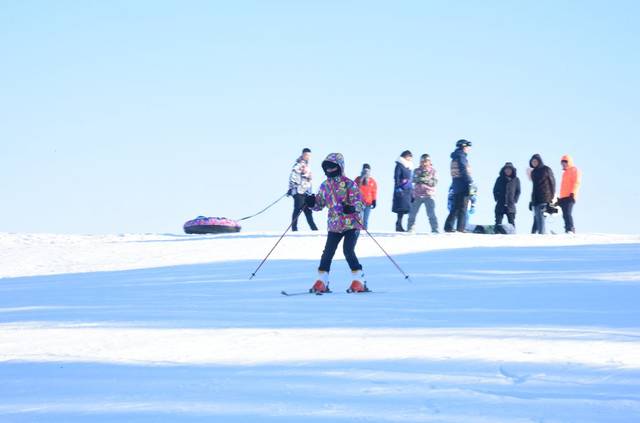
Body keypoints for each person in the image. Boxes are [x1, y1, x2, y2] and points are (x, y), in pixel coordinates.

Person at [304, 153, 367, 293]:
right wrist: (311, 203)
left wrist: (352, 208)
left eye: (333, 167)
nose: (330, 169)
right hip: (335, 225)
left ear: (340, 166)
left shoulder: (349, 184)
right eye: (327, 167)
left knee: (348, 250)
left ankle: (359, 280)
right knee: (327, 253)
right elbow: (319, 205)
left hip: (351, 223)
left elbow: (360, 203)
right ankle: (322, 281)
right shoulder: (325, 186)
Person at [444, 140, 473, 232]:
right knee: (463, 208)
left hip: (456, 184)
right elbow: (463, 170)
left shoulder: (456, 157)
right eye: (468, 147)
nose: (469, 149)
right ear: (464, 147)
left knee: (456, 207)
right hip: (463, 184)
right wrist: (470, 182)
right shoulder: (461, 157)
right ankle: (460, 228)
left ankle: (448, 227)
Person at [287, 148, 318, 231]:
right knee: (297, 209)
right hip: (298, 192)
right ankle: (294, 228)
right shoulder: (299, 164)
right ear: (303, 154)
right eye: (306, 155)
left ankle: (314, 229)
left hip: (306, 192)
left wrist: (310, 192)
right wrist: (291, 188)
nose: (308, 157)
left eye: (309, 155)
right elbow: (293, 176)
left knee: (308, 211)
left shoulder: (307, 165)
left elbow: (309, 180)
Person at [407, 154, 439, 233]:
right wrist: (419, 178)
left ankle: (435, 229)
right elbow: (413, 179)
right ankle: (410, 228)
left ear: (429, 162)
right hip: (417, 194)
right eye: (423, 161)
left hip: (429, 194)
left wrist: (425, 179)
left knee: (431, 213)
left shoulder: (433, 171)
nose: (424, 163)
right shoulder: (417, 170)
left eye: (426, 161)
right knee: (412, 213)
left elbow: (434, 182)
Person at [529, 154, 556, 234]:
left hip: (545, 197)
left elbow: (552, 183)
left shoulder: (546, 169)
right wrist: (532, 201)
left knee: (541, 217)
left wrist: (552, 197)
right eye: (532, 161)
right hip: (536, 199)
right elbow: (534, 187)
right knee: (537, 218)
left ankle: (542, 234)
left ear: (539, 161)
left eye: (535, 161)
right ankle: (537, 234)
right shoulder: (533, 172)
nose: (534, 163)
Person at [557, 155, 581, 233]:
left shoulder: (574, 170)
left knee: (567, 213)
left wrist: (573, 193)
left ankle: (570, 228)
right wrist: (560, 198)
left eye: (565, 162)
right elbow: (563, 187)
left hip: (570, 196)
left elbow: (576, 182)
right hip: (563, 197)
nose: (563, 164)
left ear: (569, 162)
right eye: (562, 163)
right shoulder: (564, 173)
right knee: (564, 214)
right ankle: (567, 229)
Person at [493, 162, 521, 227]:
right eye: (506, 169)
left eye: (509, 169)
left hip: (510, 205)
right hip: (500, 203)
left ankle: (513, 236)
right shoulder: (499, 179)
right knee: (498, 222)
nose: (508, 171)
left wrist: (515, 200)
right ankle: (496, 233)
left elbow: (518, 191)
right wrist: (497, 198)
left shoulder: (516, 180)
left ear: (512, 171)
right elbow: (495, 190)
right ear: (503, 170)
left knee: (511, 223)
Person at [392, 150, 413, 232]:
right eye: (409, 156)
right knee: (400, 208)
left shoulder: (409, 166)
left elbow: (410, 178)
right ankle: (398, 224)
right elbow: (396, 177)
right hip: (401, 189)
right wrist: (398, 187)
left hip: (407, 190)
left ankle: (399, 224)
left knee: (404, 208)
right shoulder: (400, 165)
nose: (410, 158)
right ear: (405, 156)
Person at [354, 163, 378, 230]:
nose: (366, 172)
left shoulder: (372, 181)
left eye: (367, 170)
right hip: (359, 202)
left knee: (365, 220)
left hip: (368, 202)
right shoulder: (358, 179)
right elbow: (353, 189)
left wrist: (374, 200)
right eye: (365, 170)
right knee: (359, 218)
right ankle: (357, 231)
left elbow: (374, 191)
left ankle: (364, 232)